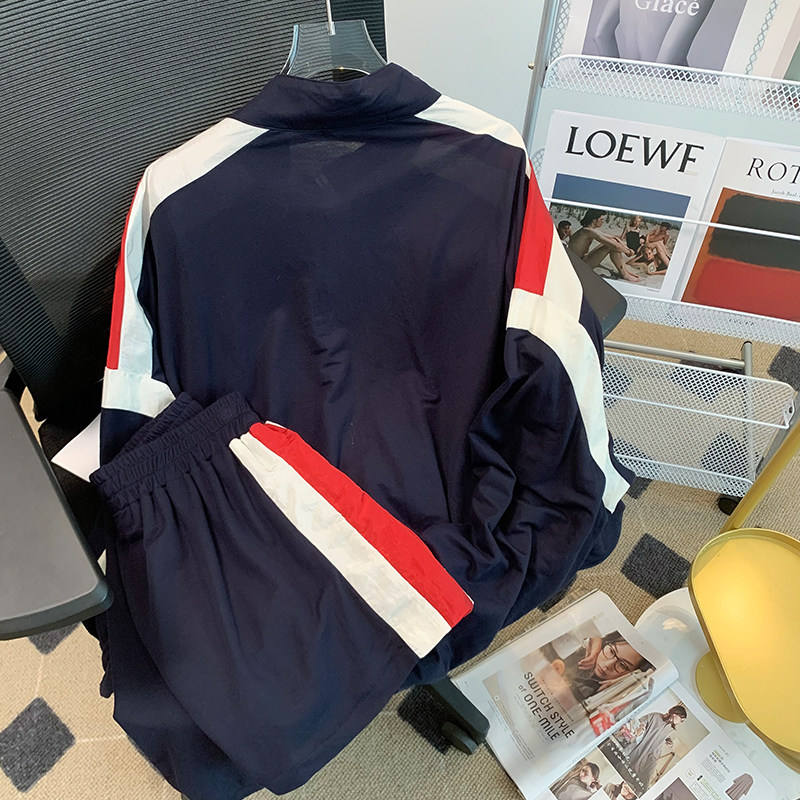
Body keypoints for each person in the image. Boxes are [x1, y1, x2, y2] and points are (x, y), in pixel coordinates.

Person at [587, 0, 716, 67]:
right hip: (674, 92)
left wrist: (618, 82)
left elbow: (601, 36)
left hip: (632, 82)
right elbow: (665, 66)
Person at [545, 631, 654, 701]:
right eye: (611, 651)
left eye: (622, 665)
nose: (607, 665)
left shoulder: (606, 697)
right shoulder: (578, 650)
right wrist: (593, 634)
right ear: (606, 643)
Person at [619, 706, 687, 790]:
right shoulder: (656, 716)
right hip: (642, 746)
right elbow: (643, 720)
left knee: (646, 776)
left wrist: (669, 742)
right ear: (675, 714)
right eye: (681, 719)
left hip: (654, 754)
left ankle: (640, 792)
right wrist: (642, 726)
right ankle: (624, 786)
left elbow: (665, 736)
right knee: (629, 766)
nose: (681, 722)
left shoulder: (671, 729)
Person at [568, 209, 641, 282]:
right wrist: (628, 252)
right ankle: (624, 274)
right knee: (610, 246)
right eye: (601, 219)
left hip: (581, 259)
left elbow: (614, 238)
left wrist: (627, 248)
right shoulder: (588, 231)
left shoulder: (588, 229)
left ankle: (625, 272)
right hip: (578, 266)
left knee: (611, 242)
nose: (603, 221)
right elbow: (615, 246)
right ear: (594, 220)